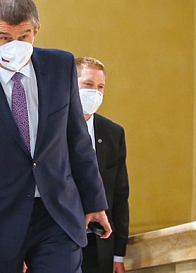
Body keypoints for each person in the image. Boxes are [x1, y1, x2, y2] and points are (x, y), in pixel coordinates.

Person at [0, 0, 111, 273]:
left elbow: (77, 140)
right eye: (5, 37)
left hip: (56, 213)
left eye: (24, 36)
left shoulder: (61, 66)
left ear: (36, 31)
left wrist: (94, 202)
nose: (15, 45)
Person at [75, 57, 129, 273]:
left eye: (100, 87)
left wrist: (118, 254)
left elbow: (119, 195)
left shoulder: (113, 133)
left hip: (97, 244)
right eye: (88, 84)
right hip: (56, 242)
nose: (95, 92)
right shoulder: (49, 128)